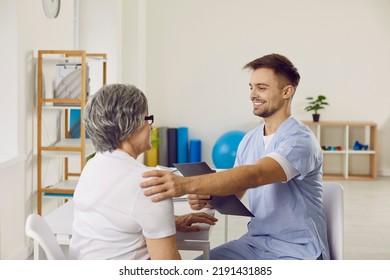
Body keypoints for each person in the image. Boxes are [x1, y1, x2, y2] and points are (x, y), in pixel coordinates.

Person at [140, 53, 330, 260]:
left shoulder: (299, 140)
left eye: (262, 88)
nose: (252, 95)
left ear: (287, 91)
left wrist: (186, 184)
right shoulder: (249, 140)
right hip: (255, 243)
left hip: (297, 250)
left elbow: (255, 175)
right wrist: (207, 197)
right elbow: (236, 192)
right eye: (251, 87)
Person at [69, 84, 217, 260]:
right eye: (148, 119)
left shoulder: (92, 165)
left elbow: (113, 220)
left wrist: (170, 221)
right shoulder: (150, 184)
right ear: (130, 124)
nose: (151, 127)